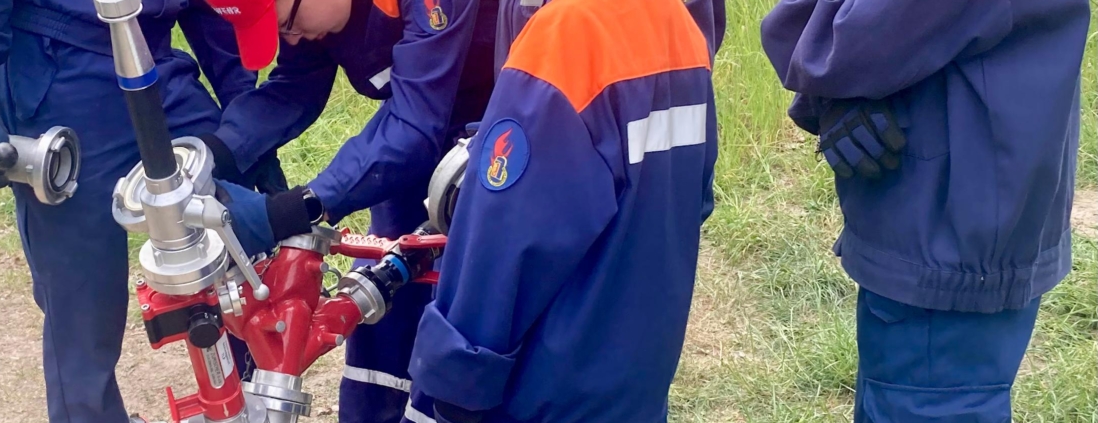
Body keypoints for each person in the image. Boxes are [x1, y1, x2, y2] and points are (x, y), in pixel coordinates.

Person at [0, 0, 273, 421]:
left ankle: (248, 401)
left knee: (239, 236)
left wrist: (244, 116)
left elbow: (213, 13)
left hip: (158, 64)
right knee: (83, 297)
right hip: (63, 70)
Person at [759, 0, 1090, 421]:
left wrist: (826, 79)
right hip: (962, 216)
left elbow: (849, 42)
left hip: (950, 235)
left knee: (927, 397)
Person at [395, 0, 725, 421]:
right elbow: (694, 201)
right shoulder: (681, 26)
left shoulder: (565, 42)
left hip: (545, 394)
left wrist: (456, 385)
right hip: (635, 386)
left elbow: (502, 245)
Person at [200, 0, 498, 421]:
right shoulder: (309, 14)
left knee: (461, 307)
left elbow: (413, 128)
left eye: (287, 24)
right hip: (419, 119)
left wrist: (304, 206)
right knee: (387, 309)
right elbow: (296, 86)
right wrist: (215, 152)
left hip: (499, 128)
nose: (291, 39)